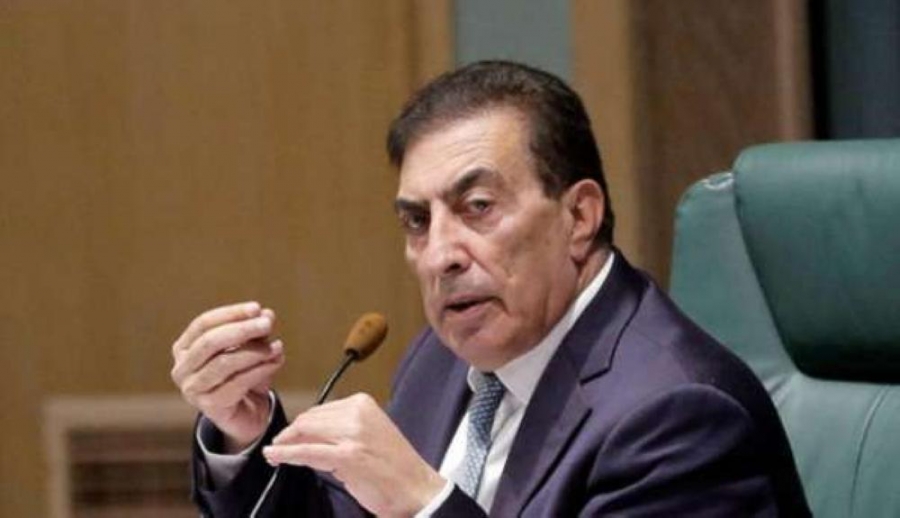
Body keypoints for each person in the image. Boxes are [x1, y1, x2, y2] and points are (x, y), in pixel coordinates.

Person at [171, 60, 810, 517]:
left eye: (477, 207)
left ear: (578, 216)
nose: (440, 255)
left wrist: (426, 506)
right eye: (417, 221)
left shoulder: (677, 417)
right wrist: (243, 435)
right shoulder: (443, 360)